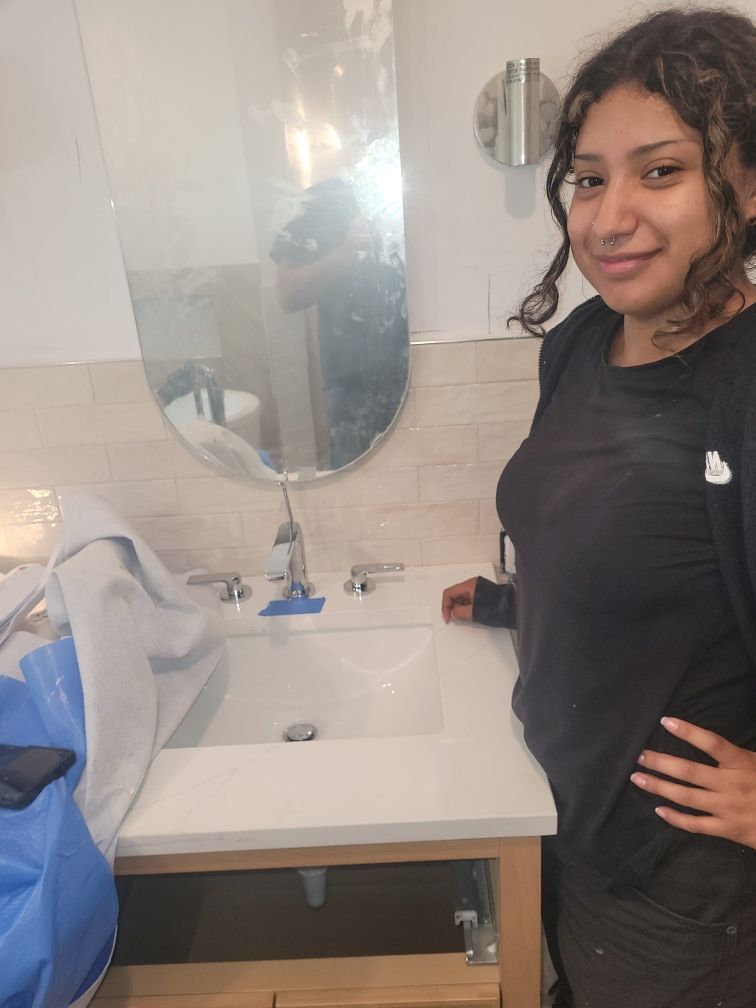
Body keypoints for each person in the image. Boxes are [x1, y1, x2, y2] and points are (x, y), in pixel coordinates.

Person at [442, 8, 756, 1007]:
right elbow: (612, 537)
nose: (609, 216)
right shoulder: (581, 344)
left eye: (659, 171)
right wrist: (509, 603)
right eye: (588, 177)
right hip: (566, 826)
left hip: (688, 903)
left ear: (746, 180)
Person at [271, 176, 408, 469]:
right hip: (351, 390)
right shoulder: (323, 203)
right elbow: (288, 294)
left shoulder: (413, 189)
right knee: (352, 491)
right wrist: (347, 249)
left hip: (418, 375)